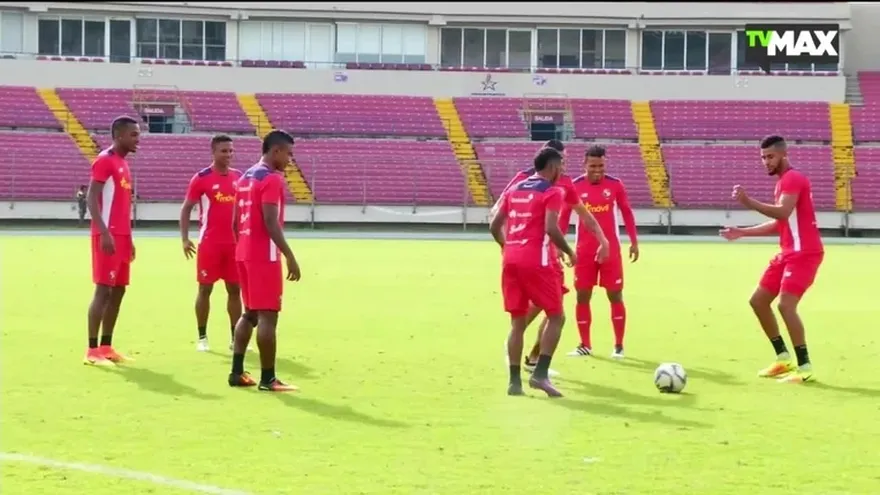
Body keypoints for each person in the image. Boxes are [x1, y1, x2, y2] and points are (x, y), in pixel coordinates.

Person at [490, 140, 609, 376]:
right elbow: (497, 212)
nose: (564, 166)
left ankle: (533, 356)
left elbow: (583, 213)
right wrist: (508, 243)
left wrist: (603, 239)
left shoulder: (564, 183)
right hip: (535, 255)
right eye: (561, 161)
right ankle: (523, 349)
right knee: (550, 308)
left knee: (554, 305)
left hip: (548, 254)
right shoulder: (524, 179)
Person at [720, 135, 824, 384]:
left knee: (786, 305)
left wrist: (748, 202)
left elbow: (783, 212)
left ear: (783, 154)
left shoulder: (793, 179)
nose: (766, 162)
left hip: (805, 253)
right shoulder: (782, 183)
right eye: (763, 158)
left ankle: (805, 366)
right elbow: (781, 223)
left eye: (770, 157)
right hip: (788, 253)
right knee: (758, 301)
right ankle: (783, 358)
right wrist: (742, 232)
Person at [490, 147, 577, 398]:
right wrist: (569, 251)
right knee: (556, 316)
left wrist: (507, 247)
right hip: (536, 261)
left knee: (517, 322)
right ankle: (540, 375)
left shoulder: (514, 189)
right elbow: (551, 228)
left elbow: (494, 225)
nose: (561, 171)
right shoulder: (552, 192)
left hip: (510, 260)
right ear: (552, 167)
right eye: (560, 166)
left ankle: (514, 382)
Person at [228, 130, 302, 392]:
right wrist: (290, 256)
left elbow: (235, 222)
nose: (290, 160)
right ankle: (268, 379)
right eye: (288, 154)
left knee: (249, 313)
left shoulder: (245, 177)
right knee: (268, 317)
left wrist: (244, 246)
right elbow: (271, 222)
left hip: (244, 252)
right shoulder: (271, 180)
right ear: (276, 151)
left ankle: (237, 372)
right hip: (264, 255)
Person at [568, 145, 639, 359]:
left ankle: (618, 345)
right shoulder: (575, 186)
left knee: (615, 295)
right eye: (592, 166)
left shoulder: (615, 185)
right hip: (584, 251)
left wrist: (634, 241)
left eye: (600, 165)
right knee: (582, 295)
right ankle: (585, 344)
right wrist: (559, 245)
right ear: (584, 165)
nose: (597, 170)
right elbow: (562, 215)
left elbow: (626, 212)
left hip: (611, 251)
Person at [179, 135, 246, 352]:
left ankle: (236, 338)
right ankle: (202, 336)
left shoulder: (239, 177)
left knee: (235, 290)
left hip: (235, 245)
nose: (228, 155)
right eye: (224, 151)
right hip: (210, 243)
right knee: (205, 289)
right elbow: (186, 208)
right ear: (213, 152)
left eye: (231, 151)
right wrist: (185, 238)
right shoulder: (201, 178)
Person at [84, 116, 140, 366]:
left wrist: (130, 238)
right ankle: (91, 350)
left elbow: (122, 206)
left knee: (118, 290)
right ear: (118, 135)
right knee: (103, 289)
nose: (137, 139)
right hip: (107, 235)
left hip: (122, 237)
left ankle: (107, 346)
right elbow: (91, 198)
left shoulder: (123, 164)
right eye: (133, 134)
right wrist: (104, 232)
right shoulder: (105, 161)